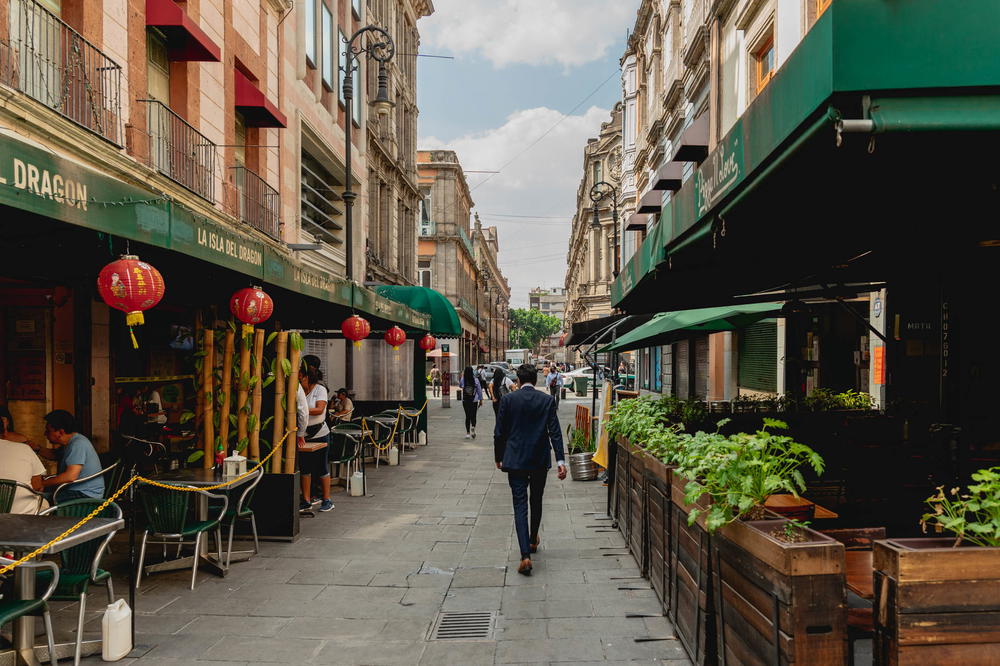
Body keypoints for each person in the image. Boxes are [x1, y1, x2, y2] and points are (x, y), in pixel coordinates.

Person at [494, 364, 566, 576]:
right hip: (538, 459)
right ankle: (534, 539)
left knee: (520, 504)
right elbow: (555, 431)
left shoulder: (508, 400)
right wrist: (561, 460)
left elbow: (499, 433)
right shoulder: (546, 400)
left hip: (515, 459)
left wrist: (499, 457)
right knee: (536, 499)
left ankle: (525, 555)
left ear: (518, 379)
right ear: (536, 380)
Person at [33, 410, 104, 501]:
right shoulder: (71, 442)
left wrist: (42, 483)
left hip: (85, 494)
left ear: (61, 432)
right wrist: (37, 448)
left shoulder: (77, 444)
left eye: (48, 431)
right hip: (76, 490)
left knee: (37, 499)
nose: (45, 434)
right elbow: (54, 455)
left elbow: (70, 476)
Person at [298, 365, 333, 512]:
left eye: (300, 377)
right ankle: (306, 500)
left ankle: (327, 500)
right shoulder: (299, 390)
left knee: (322, 467)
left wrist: (302, 410)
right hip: (303, 435)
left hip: (320, 434)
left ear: (307, 377)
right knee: (305, 468)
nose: (298, 380)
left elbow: (319, 409)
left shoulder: (320, 390)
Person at [0, 418, 46, 513]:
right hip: (23, 514)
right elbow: (37, 485)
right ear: (5, 433)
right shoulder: (25, 449)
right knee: (44, 504)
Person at [458, 365, 483, 439]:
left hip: (465, 400)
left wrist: (463, 377)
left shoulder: (463, 379)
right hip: (474, 400)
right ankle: (473, 427)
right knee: (473, 415)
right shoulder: (476, 380)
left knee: (467, 416)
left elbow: (460, 386)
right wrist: (481, 400)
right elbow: (479, 391)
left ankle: (468, 433)